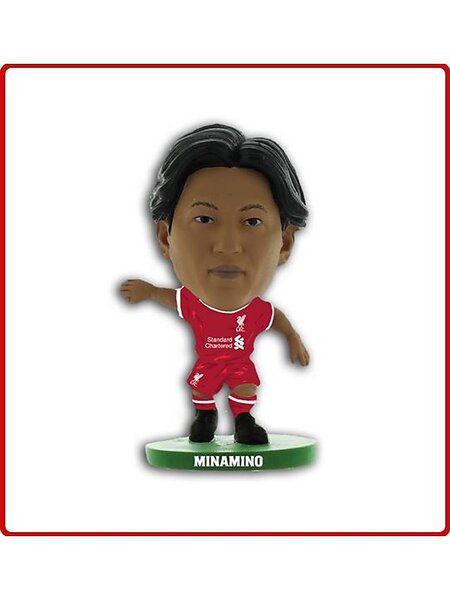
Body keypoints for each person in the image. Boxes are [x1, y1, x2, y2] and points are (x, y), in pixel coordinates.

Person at [120, 124, 310, 444]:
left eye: (252, 221)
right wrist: (150, 292)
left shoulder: (256, 311)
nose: (227, 246)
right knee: (200, 390)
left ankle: (244, 420)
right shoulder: (192, 304)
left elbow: (275, 319)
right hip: (208, 362)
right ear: (166, 237)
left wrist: (293, 338)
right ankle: (205, 416)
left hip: (238, 362)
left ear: (285, 243)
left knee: (246, 387)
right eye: (205, 219)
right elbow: (172, 298)